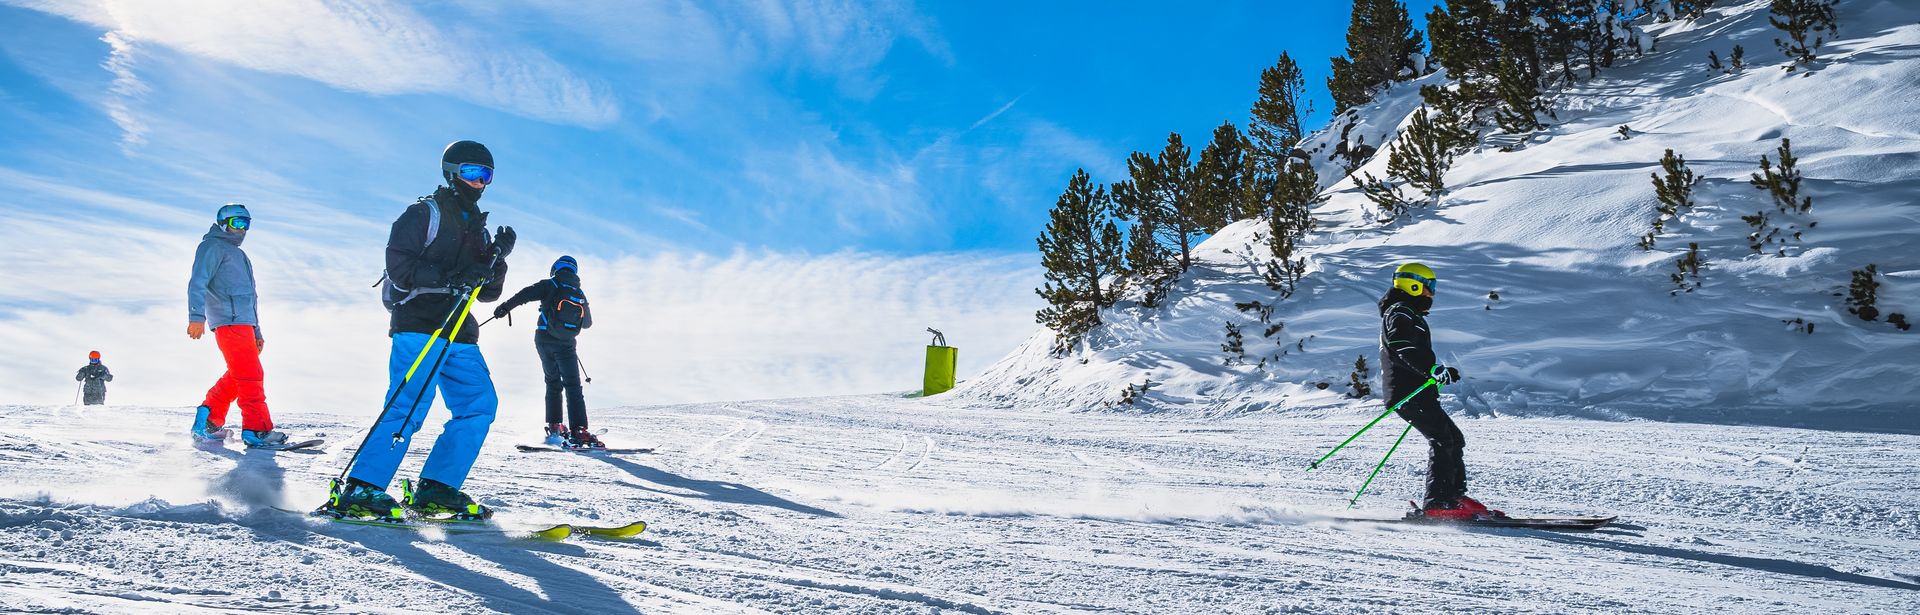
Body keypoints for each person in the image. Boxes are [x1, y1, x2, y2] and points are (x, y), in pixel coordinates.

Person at [323, 140, 516, 520]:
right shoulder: (423, 213)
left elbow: (488, 294)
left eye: (486, 176)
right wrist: (453, 277)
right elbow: (399, 266)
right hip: (420, 324)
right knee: (409, 405)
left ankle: (437, 488)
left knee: (479, 406)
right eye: (472, 173)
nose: (479, 183)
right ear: (451, 172)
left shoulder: (478, 229)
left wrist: (498, 260)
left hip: (460, 331)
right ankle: (363, 487)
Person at [1378, 262, 1502, 521]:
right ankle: (1438, 502)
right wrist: (1431, 369)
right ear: (1412, 285)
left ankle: (1453, 496)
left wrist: (1439, 370)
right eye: (1428, 287)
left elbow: (1413, 351)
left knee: (1453, 438)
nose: (1431, 294)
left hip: (1418, 391)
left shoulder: (1409, 313)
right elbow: (1402, 347)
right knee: (1443, 439)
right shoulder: (1399, 312)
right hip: (1406, 393)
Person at [187, 204, 286, 447]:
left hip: (244, 324)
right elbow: (198, 282)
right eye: (236, 223)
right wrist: (196, 316)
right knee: (251, 376)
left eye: (246, 224)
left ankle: (208, 419)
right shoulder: (212, 247)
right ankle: (256, 430)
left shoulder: (239, 255)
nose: (241, 229)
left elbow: (250, 298)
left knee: (239, 374)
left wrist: (256, 330)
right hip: (228, 321)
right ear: (223, 223)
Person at [493, 255, 600, 448]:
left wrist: (504, 308)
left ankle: (554, 426)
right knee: (573, 386)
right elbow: (587, 324)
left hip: (544, 340)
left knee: (552, 382)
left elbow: (524, 295)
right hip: (567, 344)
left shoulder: (550, 284)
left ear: (555, 268)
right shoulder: (580, 293)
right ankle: (579, 430)